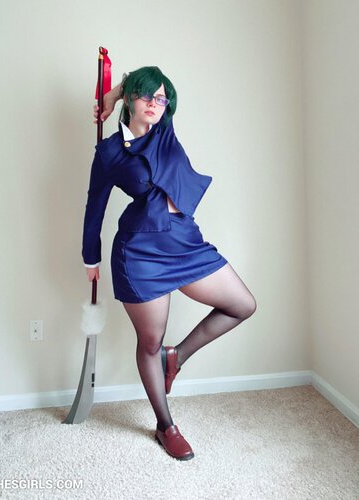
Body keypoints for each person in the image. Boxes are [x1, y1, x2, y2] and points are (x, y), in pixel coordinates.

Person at [82, 66, 256, 460]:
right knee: (149, 343)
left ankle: (175, 357)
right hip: (139, 253)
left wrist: (111, 95)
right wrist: (90, 256)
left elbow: (144, 86)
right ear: (133, 99)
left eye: (161, 98)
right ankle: (165, 425)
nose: (154, 103)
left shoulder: (164, 131)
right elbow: (95, 207)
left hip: (185, 242)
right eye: (147, 95)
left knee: (242, 305)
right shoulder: (109, 152)